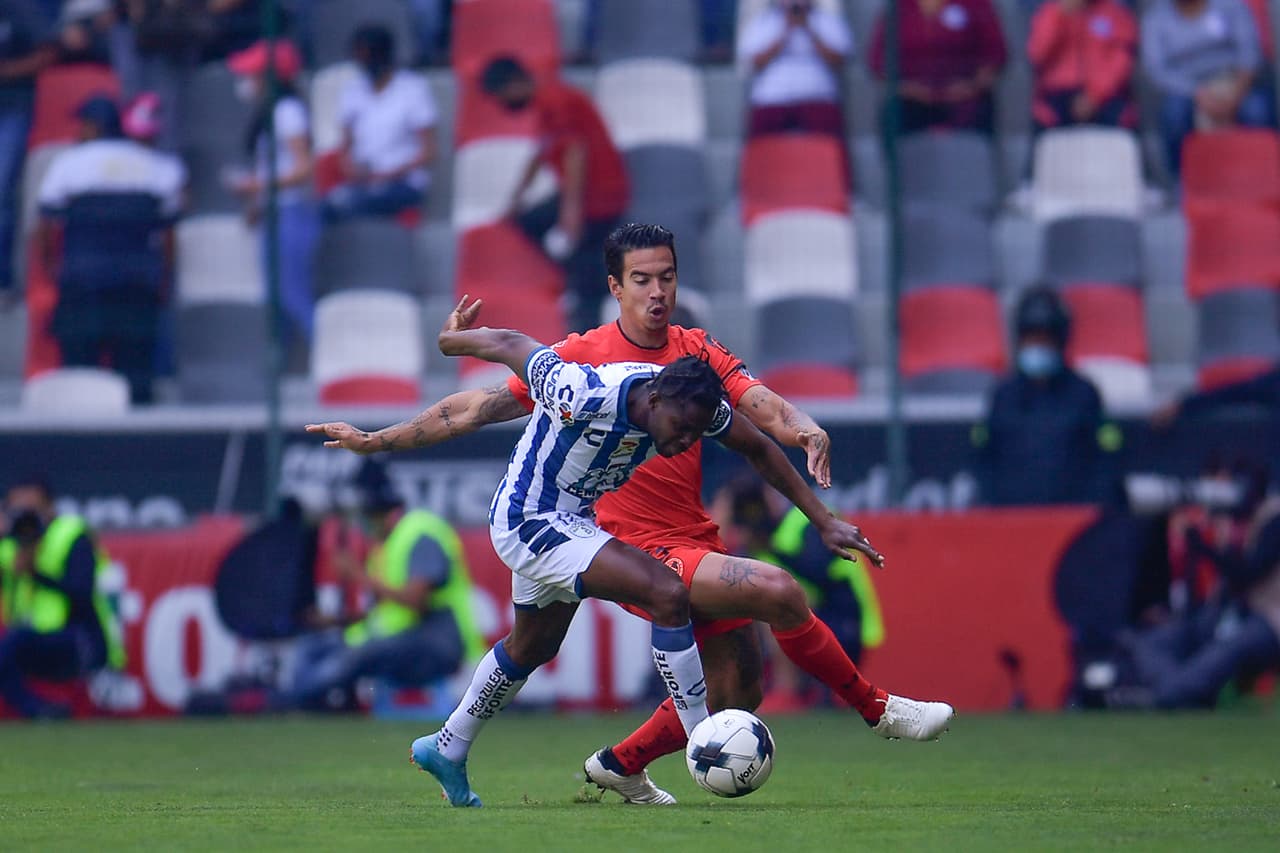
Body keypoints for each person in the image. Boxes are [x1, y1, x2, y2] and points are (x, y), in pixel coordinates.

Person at [308, 223, 953, 806]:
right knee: (772, 590)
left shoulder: (694, 363)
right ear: (615, 287)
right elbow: (481, 395)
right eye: (641, 279)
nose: (657, 292)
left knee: (727, 686)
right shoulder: (584, 368)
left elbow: (756, 422)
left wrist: (814, 476)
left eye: (667, 277)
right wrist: (383, 430)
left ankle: (537, 756)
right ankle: (876, 711)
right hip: (601, 535)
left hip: (635, 530)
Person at [286, 459, 484, 710]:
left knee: (358, 656)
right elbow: (385, 612)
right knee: (313, 647)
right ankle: (315, 702)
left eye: (366, 518)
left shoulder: (420, 532)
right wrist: (336, 621)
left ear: (381, 513)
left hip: (439, 639)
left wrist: (359, 576)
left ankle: (294, 703)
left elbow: (416, 601)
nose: (363, 526)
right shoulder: (385, 547)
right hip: (402, 636)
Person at [35, 94, 185, 403]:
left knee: (79, 374)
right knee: (136, 374)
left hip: (83, 279)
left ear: (92, 126)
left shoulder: (69, 164)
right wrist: (165, 275)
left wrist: (51, 266)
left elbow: (46, 225)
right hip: (137, 280)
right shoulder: (156, 165)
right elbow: (169, 232)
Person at [480, 56, 629, 334]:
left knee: (588, 279)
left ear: (513, 83)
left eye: (502, 95)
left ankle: (588, 336)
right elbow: (541, 151)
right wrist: (516, 199)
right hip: (583, 194)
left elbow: (575, 151)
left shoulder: (556, 101)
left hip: (599, 196)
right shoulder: (546, 102)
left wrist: (571, 211)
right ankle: (578, 280)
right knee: (528, 222)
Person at [1119, 463, 1280, 708]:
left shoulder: (1273, 517)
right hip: (1225, 613)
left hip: (1269, 620)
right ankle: (1176, 689)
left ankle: (1173, 693)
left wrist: (1206, 549)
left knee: (1220, 655)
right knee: (1144, 642)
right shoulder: (1226, 521)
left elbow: (1249, 573)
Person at [973, 287, 1120, 506]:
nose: (1037, 347)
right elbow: (982, 456)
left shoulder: (1084, 394)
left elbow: (1108, 452)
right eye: (1031, 339)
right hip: (1012, 521)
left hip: (1072, 519)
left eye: (1045, 340)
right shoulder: (1002, 396)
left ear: (1060, 341)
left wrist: (1089, 507)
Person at [0, 475, 124, 718]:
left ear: (49, 507)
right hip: (32, 643)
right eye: (17, 511)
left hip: (79, 640)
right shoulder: (9, 546)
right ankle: (41, 711)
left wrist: (35, 574)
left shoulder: (71, 535)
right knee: (11, 645)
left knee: (15, 641)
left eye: (31, 510)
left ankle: (38, 710)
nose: (25, 519)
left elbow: (81, 593)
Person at [225, 38, 318, 346]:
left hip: (291, 213)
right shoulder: (274, 112)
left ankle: (330, 355)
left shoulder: (287, 111)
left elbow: (304, 168)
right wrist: (256, 201)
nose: (247, 82)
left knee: (292, 294)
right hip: (274, 213)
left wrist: (257, 186)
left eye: (253, 74)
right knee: (275, 299)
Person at [1142, 0, 1274, 177]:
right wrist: (1198, 93)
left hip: (1235, 82)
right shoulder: (1156, 17)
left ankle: (1263, 178)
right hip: (1187, 89)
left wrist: (1235, 95)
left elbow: (1250, 52)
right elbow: (1157, 70)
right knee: (1174, 114)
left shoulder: (1230, 5)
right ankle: (1181, 183)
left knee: (1258, 110)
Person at [324, 24, 437, 221]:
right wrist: (351, 169)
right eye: (359, 57)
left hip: (403, 183)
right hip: (362, 182)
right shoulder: (353, 90)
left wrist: (387, 175)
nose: (363, 63)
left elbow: (428, 152)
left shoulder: (413, 88)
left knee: (354, 205)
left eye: (368, 57)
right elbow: (345, 145)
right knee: (328, 206)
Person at [869, 0, 1008, 135]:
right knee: (895, 112)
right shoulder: (899, 5)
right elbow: (879, 60)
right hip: (910, 99)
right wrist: (912, 90)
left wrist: (970, 87)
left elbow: (995, 55)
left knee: (975, 111)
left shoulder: (974, 3)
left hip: (965, 98)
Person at [0, 0, 58, 298]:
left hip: (11, 108)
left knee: (1, 192)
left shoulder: (19, 10)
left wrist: (8, 70)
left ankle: (3, 280)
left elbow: (48, 53)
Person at [737, 0, 853, 140]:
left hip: (817, 96)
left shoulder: (828, 21)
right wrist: (786, 31)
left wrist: (808, 28)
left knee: (830, 139)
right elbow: (755, 63)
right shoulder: (763, 23)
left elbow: (838, 61)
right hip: (772, 98)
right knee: (760, 141)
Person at [1027, 0, 1138, 131]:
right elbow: (1037, 55)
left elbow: (1122, 60)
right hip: (1058, 92)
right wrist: (1060, 15)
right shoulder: (1049, 12)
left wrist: (1095, 95)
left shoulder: (1115, 12)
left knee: (1123, 118)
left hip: (1106, 94)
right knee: (1045, 118)